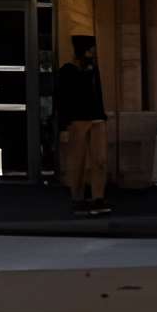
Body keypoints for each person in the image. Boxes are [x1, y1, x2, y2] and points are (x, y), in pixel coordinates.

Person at [53, 38, 109, 215]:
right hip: (77, 120)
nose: (92, 54)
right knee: (77, 161)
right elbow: (62, 100)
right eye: (90, 51)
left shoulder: (93, 71)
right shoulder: (67, 72)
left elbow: (98, 94)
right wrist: (63, 126)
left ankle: (98, 197)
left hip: (96, 119)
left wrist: (102, 115)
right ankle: (77, 197)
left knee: (99, 159)